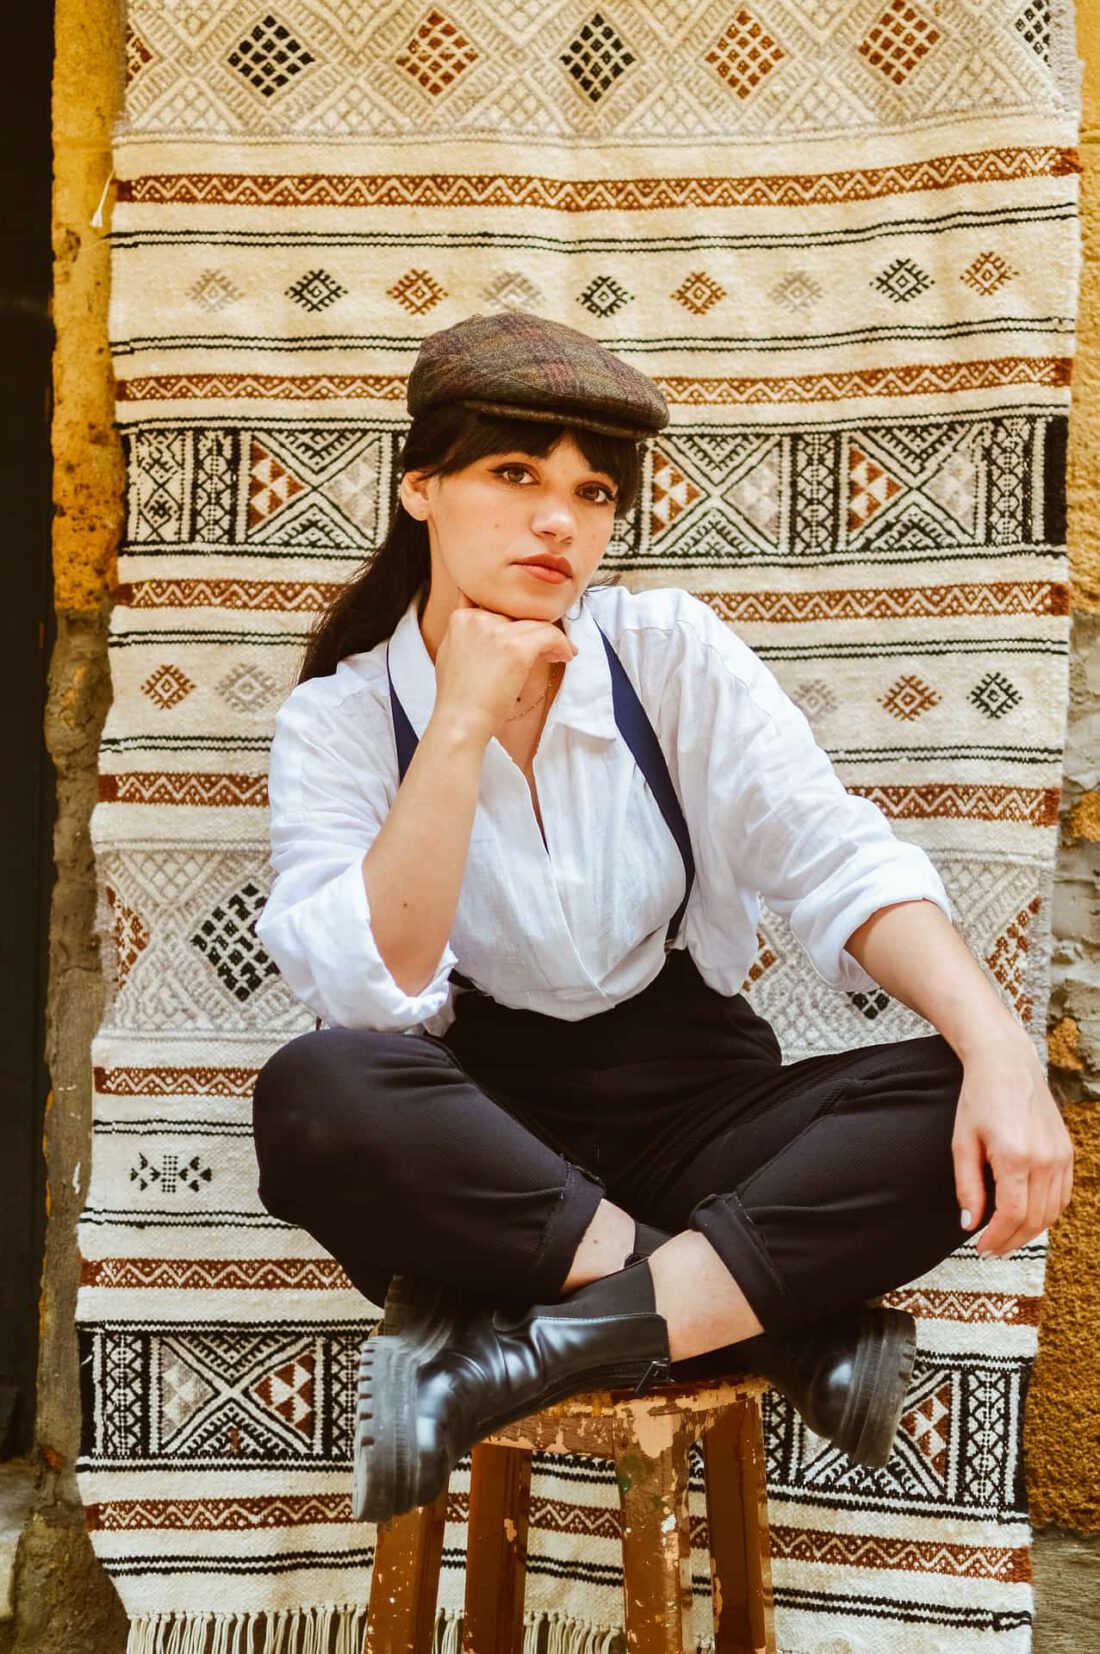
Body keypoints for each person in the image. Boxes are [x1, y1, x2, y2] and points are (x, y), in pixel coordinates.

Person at [250, 311, 1073, 1528]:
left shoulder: (666, 652)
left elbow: (832, 853)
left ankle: (521, 1350)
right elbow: (375, 984)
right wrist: (462, 718)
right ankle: (770, 1325)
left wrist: (1001, 1052)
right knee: (315, 1094)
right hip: (485, 1155)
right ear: (419, 487)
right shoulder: (339, 721)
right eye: (514, 474)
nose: (557, 521)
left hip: (701, 1119)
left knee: (958, 1092)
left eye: (591, 493)